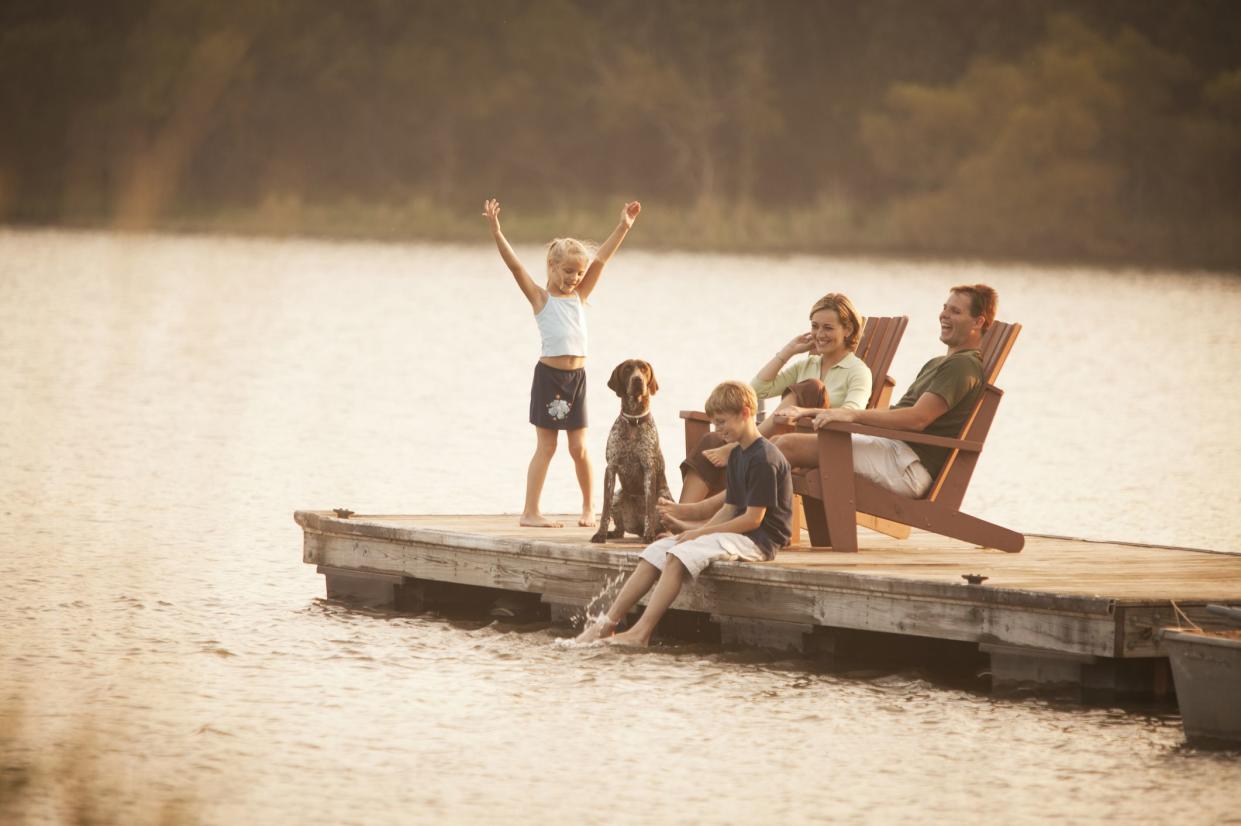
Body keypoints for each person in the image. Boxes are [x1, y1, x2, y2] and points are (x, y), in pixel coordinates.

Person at [661, 284, 997, 533]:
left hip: (909, 466)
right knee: (777, 445)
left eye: (955, 311)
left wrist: (849, 414)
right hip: (893, 451)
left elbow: (918, 418)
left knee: (785, 445)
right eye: (944, 307)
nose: (944, 314)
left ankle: (702, 513)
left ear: (978, 322)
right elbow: (757, 389)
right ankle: (705, 515)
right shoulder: (941, 363)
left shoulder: (962, 368)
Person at [576, 381, 791, 646]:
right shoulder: (737, 455)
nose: (718, 430)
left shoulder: (764, 458)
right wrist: (693, 533)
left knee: (677, 556)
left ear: (746, 413)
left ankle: (641, 632)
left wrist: (699, 533)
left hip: (759, 541)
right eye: (714, 424)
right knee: (656, 552)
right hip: (741, 533)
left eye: (722, 422)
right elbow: (729, 508)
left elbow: (753, 519)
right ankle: (606, 625)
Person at [484, 198, 641, 528]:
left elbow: (602, 260)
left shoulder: (580, 297)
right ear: (552, 268)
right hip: (550, 379)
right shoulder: (541, 298)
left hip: (577, 379)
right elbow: (515, 267)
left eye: (578, 273)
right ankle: (530, 512)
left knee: (579, 448)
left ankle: (589, 508)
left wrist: (623, 227)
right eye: (568, 271)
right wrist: (497, 231)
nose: (574, 278)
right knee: (547, 446)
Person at [677, 292, 871, 503]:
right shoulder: (807, 365)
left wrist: (804, 412)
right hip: (781, 439)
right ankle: (681, 518)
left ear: (848, 329)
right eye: (815, 326)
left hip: (819, 444)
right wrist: (788, 352)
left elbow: (851, 413)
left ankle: (746, 445)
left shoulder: (857, 371)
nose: (819, 334)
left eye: (828, 327)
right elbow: (756, 391)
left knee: (812, 387)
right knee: (712, 440)